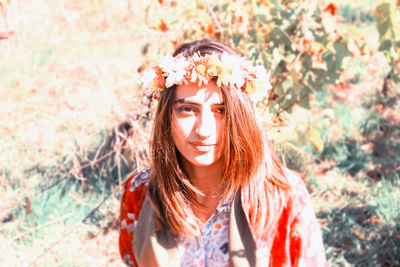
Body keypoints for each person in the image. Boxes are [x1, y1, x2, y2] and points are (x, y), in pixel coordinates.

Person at [119, 38, 327, 266]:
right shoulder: (139, 192)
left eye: (221, 110)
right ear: (167, 116)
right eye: (187, 109)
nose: (204, 130)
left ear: (241, 115)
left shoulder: (283, 196)